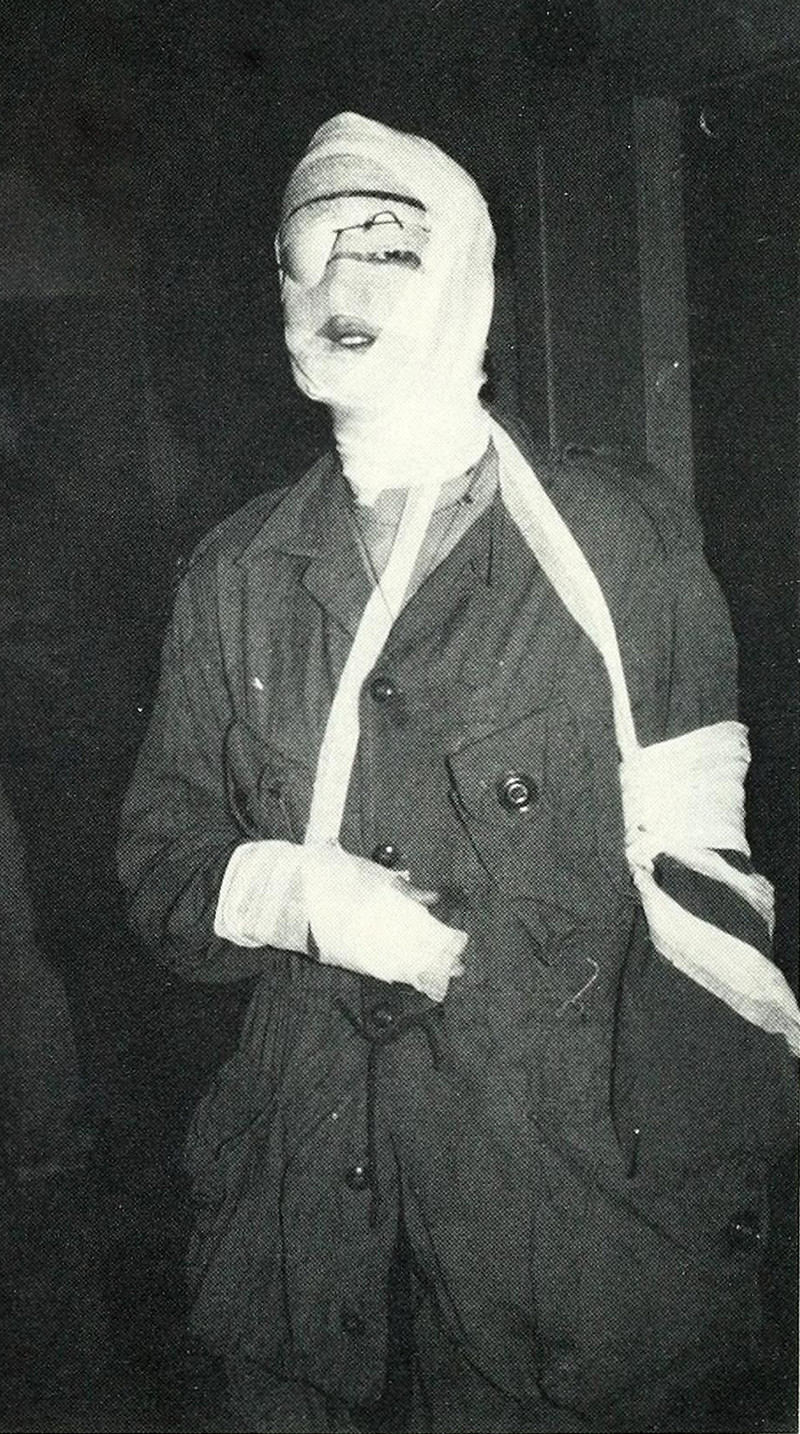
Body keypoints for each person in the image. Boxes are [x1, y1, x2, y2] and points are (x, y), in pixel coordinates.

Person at [118, 114, 798, 1433]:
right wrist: (291, 896)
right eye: (310, 248)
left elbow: (712, 896)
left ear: (468, 273)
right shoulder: (234, 580)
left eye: (387, 244)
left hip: (564, 1250)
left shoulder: (618, 544)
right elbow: (159, 875)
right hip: (307, 1244)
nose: (342, 280)